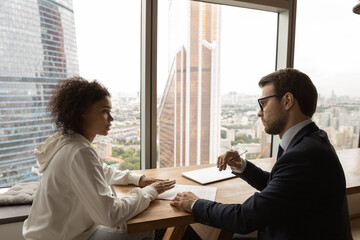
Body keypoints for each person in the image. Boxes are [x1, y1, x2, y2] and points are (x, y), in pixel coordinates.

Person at [170, 68, 353, 239]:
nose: (259, 113)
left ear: (287, 101)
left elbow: (244, 218)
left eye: (263, 103)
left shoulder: (304, 155)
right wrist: (242, 166)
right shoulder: (309, 141)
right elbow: (278, 187)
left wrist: (194, 204)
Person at [23, 77, 176, 240]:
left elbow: (99, 171)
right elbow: (110, 215)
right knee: (144, 229)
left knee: (132, 224)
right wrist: (151, 191)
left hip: (58, 234)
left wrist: (138, 179)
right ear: (83, 113)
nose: (111, 118)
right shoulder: (79, 151)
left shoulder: (68, 142)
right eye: (104, 111)